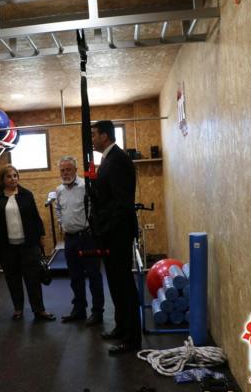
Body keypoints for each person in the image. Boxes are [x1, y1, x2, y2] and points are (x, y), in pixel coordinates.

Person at [91, 120, 141, 355]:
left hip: (118, 233)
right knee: (115, 284)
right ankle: (122, 327)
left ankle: (132, 339)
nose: (91, 139)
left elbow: (121, 204)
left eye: (94, 135)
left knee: (124, 286)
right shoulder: (108, 159)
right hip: (111, 234)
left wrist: (105, 229)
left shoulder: (118, 160)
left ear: (104, 136)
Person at [0, 164, 56, 322]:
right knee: (12, 278)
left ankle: (39, 310)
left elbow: (35, 216)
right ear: (2, 179)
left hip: (29, 245)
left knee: (33, 278)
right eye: (9, 176)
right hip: (6, 247)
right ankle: (18, 309)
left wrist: (41, 237)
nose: (13, 179)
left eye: (15, 176)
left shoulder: (26, 194)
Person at [55, 156, 104, 326]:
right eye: (62, 170)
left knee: (93, 275)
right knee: (75, 277)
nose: (65, 173)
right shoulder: (59, 189)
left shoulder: (85, 186)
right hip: (70, 239)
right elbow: (59, 210)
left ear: (76, 170)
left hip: (87, 237)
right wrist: (62, 224)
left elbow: (96, 208)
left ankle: (97, 312)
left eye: (69, 169)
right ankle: (79, 310)